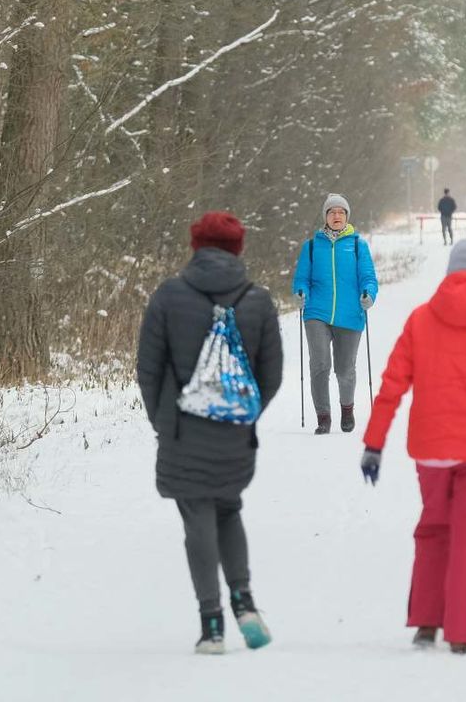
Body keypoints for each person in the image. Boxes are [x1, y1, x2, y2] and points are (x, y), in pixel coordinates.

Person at [359, 238, 466, 656]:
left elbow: (392, 384)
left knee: (433, 529)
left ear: (450, 272)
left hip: (431, 448)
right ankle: (463, 633)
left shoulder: (421, 319)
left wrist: (374, 444)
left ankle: (427, 624)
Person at [136, 211, 284, 655]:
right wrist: (244, 414)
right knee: (228, 508)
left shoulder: (169, 296)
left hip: (182, 430)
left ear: (195, 246)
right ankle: (244, 600)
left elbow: (149, 368)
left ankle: (212, 623)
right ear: (239, 249)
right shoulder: (256, 300)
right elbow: (271, 374)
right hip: (234, 432)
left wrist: (163, 420)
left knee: (196, 515)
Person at [292, 194, 379, 434]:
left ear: (347, 216)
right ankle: (323, 417)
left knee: (344, 370)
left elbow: (369, 278)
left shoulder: (358, 245)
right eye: (332, 212)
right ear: (325, 217)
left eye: (341, 212)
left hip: (350, 314)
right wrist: (300, 292)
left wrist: (368, 294)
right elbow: (301, 279)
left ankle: (347, 409)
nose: (336, 216)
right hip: (316, 313)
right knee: (319, 365)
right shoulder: (311, 247)